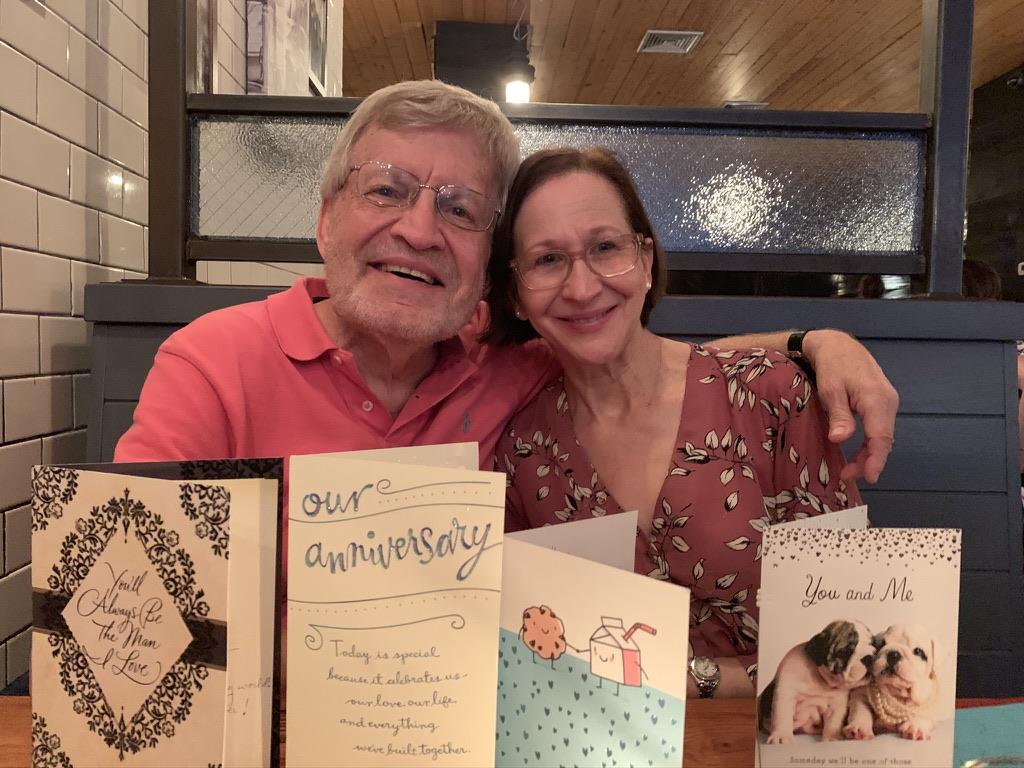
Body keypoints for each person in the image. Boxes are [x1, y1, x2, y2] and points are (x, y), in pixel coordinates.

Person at [115, 79, 897, 485]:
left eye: (459, 209)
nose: (419, 230)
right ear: (326, 219)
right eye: (386, 191)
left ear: (487, 263)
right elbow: (130, 585)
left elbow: (653, 369)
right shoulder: (213, 365)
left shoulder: (503, 366)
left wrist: (814, 342)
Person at [485, 147, 862, 698]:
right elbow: (537, 651)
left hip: (787, 732)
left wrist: (697, 682)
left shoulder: (768, 396)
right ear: (516, 295)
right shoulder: (524, 454)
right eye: (547, 260)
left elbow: (849, 630)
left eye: (605, 247)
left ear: (645, 260)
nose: (582, 287)